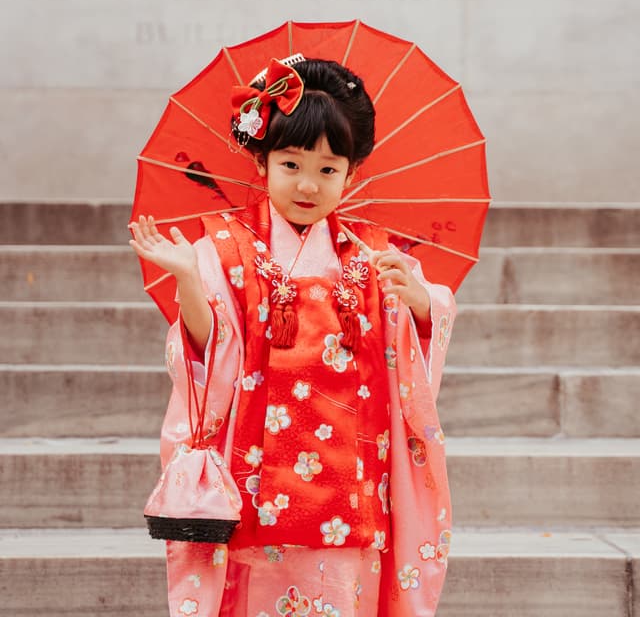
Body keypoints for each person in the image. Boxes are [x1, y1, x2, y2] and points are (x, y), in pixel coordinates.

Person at [129, 56, 456, 617]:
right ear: (262, 161)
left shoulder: (375, 255)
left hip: (351, 476)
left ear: (352, 174)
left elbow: (410, 357)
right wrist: (187, 277)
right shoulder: (223, 250)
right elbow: (207, 347)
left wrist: (422, 304)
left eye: (329, 170)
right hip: (256, 474)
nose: (308, 184)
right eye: (291, 164)